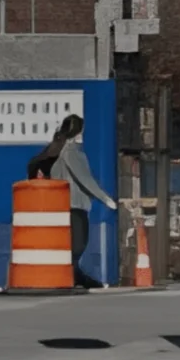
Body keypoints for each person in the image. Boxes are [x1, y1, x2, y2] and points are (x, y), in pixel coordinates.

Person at [30, 114, 117, 289]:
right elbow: (85, 179)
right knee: (77, 246)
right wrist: (105, 198)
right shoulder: (71, 152)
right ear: (79, 131)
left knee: (72, 247)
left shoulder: (57, 151)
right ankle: (73, 278)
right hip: (75, 205)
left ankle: (77, 278)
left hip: (63, 206)